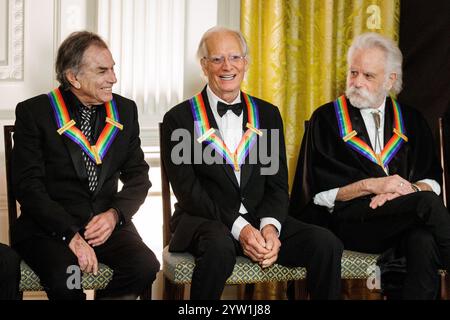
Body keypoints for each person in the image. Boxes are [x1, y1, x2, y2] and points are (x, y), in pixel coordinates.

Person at [161, 26, 343, 300]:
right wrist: (241, 229)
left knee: (325, 243)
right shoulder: (180, 119)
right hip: (207, 220)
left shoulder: (267, 115)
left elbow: (278, 184)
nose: (227, 66)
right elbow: (189, 193)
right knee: (219, 248)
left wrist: (269, 227)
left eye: (235, 57)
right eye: (217, 59)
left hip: (260, 218)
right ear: (204, 65)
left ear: (246, 63)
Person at [290, 32, 450, 299]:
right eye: (353, 73)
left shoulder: (411, 119)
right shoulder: (327, 119)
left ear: (391, 80)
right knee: (428, 204)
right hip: (350, 224)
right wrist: (373, 185)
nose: (357, 82)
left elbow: (432, 179)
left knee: (422, 240)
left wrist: (401, 190)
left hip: (400, 219)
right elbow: (318, 194)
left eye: (368, 76)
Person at [11, 31, 160, 300]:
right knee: (67, 277)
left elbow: (139, 177)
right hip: (49, 228)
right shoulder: (34, 113)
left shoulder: (125, 110)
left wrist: (114, 215)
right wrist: (71, 236)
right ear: (73, 77)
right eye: (103, 71)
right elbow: (28, 187)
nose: (113, 78)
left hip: (105, 224)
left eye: (113, 68)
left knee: (144, 265)